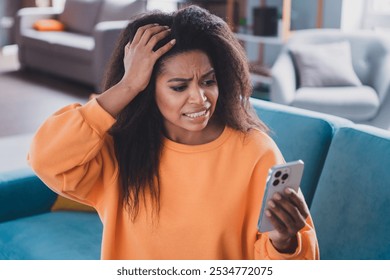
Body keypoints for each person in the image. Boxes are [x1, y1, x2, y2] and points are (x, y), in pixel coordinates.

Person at [28, 5, 319, 260]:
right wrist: (128, 85)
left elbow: (302, 260)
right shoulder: (120, 148)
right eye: (179, 87)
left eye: (208, 81)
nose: (200, 98)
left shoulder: (256, 152)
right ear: (146, 89)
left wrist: (284, 242)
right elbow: (46, 159)